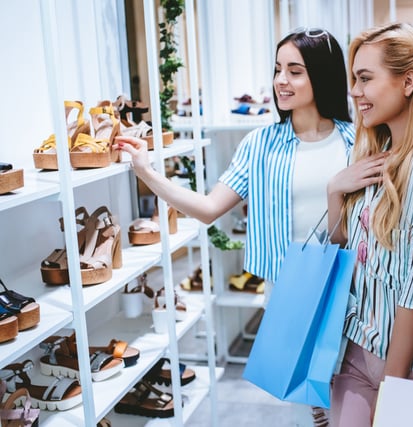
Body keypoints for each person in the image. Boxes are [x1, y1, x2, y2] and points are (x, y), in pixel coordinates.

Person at [116, 28, 354, 427]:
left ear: (323, 75)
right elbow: (209, 208)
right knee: (305, 408)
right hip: (290, 290)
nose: (281, 80)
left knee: (349, 399)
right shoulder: (261, 144)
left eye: (295, 71)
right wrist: (148, 172)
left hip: (351, 288)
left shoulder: (356, 141)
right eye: (278, 69)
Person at [326, 23, 413, 426]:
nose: (354, 91)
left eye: (365, 78)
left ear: (408, 81)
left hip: (406, 366)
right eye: (354, 79)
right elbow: (345, 246)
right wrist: (335, 191)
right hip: (355, 350)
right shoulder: (380, 149)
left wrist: (393, 390)